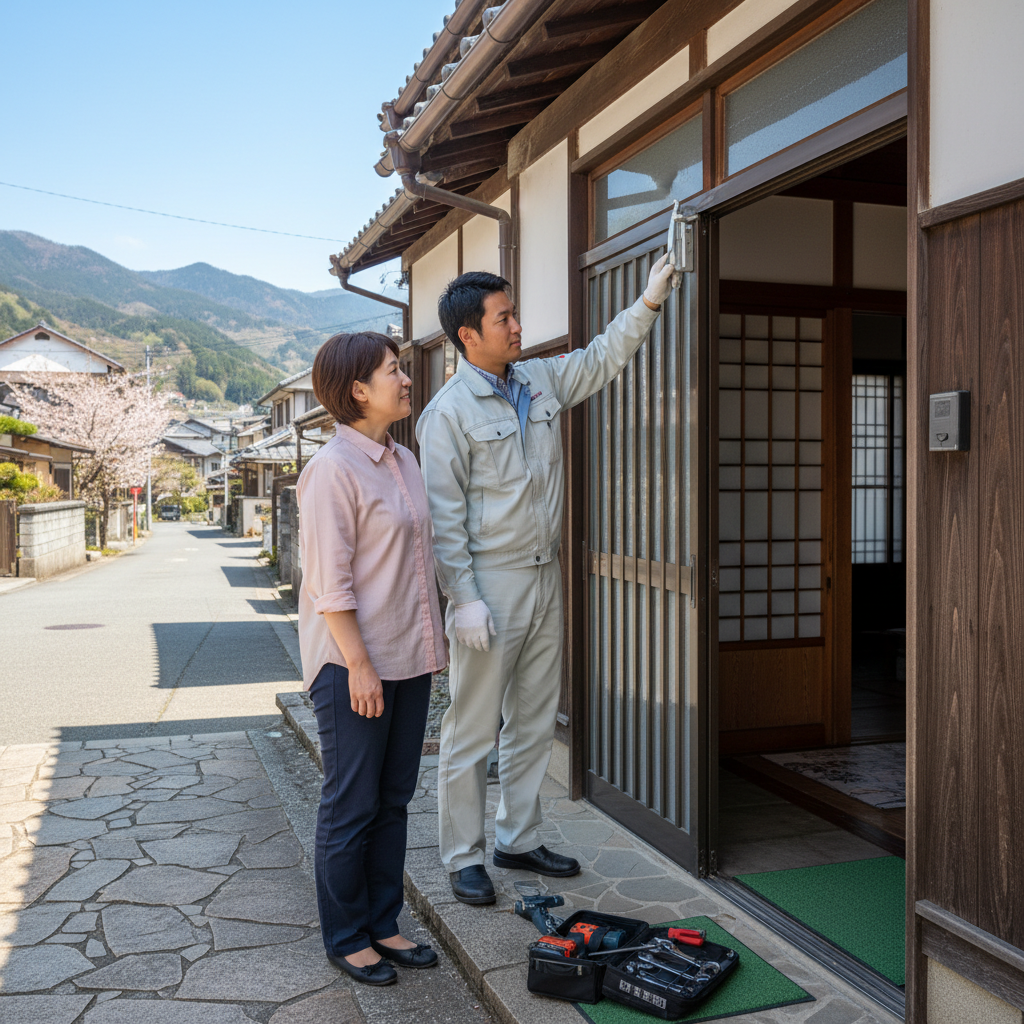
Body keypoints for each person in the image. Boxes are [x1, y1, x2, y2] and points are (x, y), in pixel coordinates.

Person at [417, 255, 675, 904]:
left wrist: (646, 303)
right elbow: (444, 522)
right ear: (467, 335)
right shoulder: (447, 414)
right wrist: (464, 600)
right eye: (503, 317)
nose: (517, 326)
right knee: (472, 729)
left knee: (532, 718)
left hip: (544, 576)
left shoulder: (535, 382)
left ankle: (519, 836)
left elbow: (599, 359)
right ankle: (462, 854)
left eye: (515, 313)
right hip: (489, 588)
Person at [297, 332, 448, 984]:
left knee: (393, 799)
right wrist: (359, 665)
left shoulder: (403, 460)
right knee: (351, 803)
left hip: (408, 656)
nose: (407, 378)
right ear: (359, 389)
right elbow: (330, 585)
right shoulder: (332, 468)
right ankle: (347, 934)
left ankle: (384, 923)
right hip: (352, 664)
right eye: (395, 371)